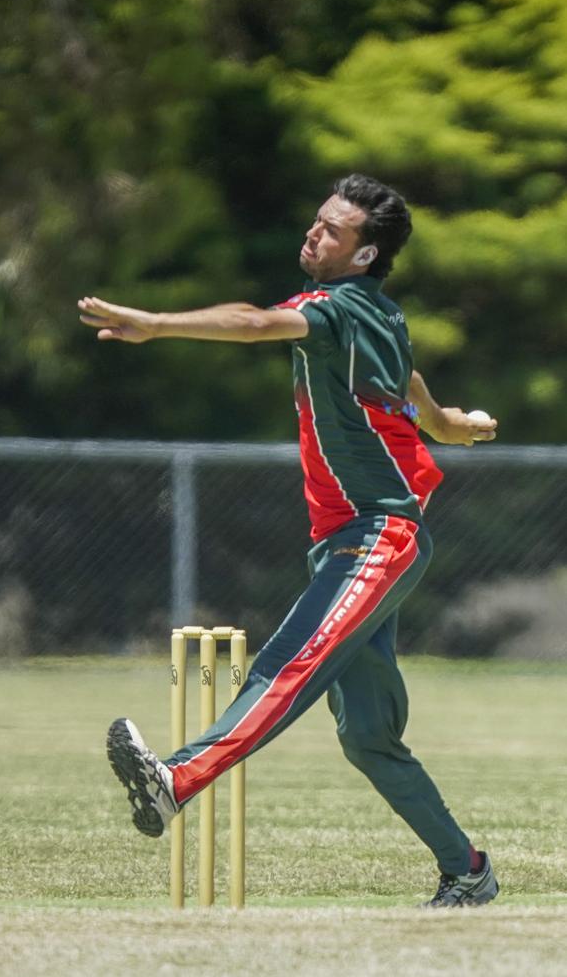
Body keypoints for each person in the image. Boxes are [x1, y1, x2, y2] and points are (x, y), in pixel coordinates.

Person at [79, 173, 499, 908]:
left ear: (365, 253)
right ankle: (467, 871)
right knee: (368, 738)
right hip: (348, 541)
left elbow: (249, 323)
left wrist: (157, 322)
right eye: (317, 221)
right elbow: (414, 388)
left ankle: (174, 780)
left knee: (287, 665)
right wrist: (452, 424)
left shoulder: (334, 311)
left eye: (333, 231)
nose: (314, 233)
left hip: (380, 535)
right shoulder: (378, 316)